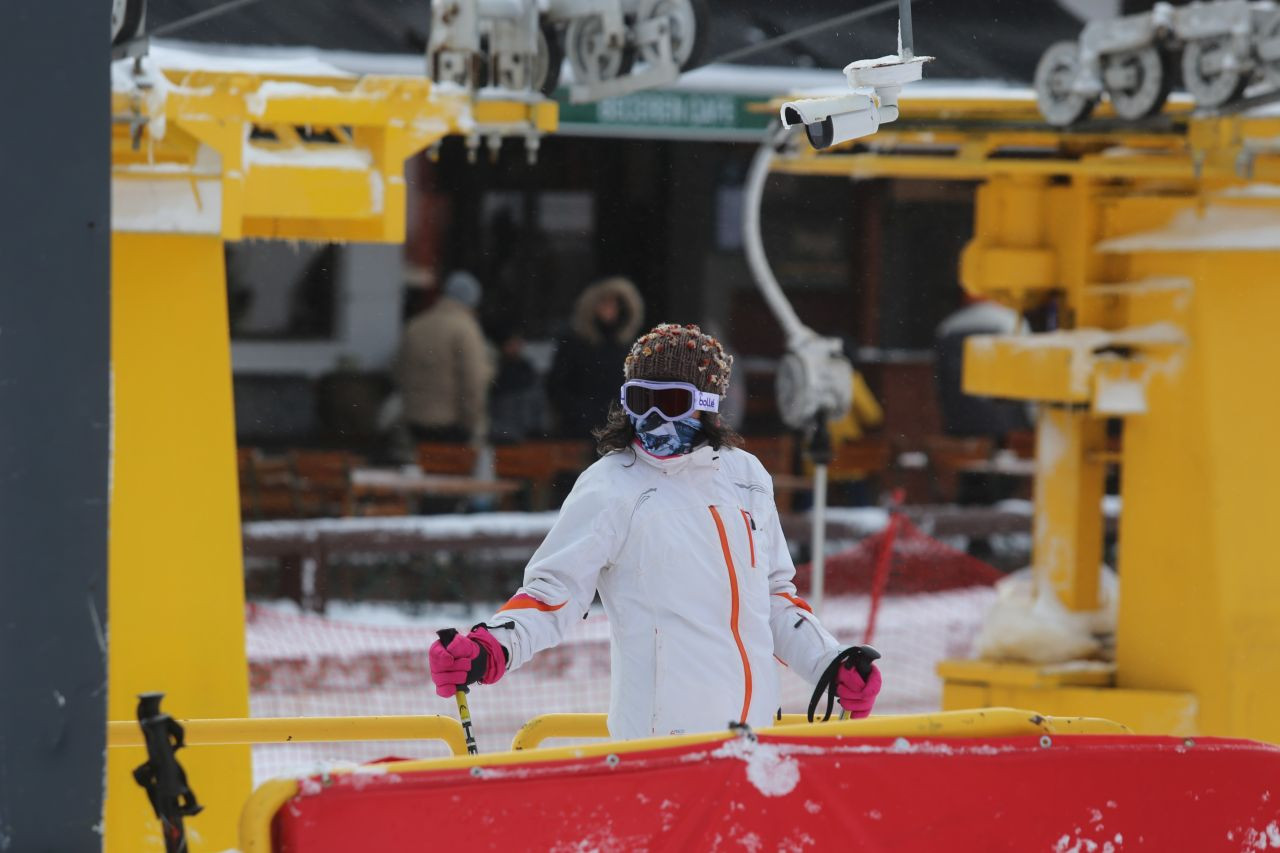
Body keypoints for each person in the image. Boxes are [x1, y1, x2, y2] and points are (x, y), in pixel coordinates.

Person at [429, 323, 883, 740]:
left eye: (672, 403)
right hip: (662, 741)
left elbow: (773, 600)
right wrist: (491, 646)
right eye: (640, 401)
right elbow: (553, 592)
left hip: (753, 737)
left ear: (708, 405)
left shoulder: (745, 477)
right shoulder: (612, 484)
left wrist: (828, 660)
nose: (654, 420)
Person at [395, 270, 493, 445]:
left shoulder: (416, 325)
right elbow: (473, 383)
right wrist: (472, 424)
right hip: (450, 424)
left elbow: (399, 370)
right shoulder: (465, 329)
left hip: (414, 421)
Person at [547, 276, 644, 440]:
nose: (609, 309)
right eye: (604, 303)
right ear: (592, 306)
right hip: (580, 432)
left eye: (614, 304)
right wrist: (581, 413)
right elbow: (557, 386)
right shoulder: (574, 344)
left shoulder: (633, 347)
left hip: (622, 432)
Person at [487, 319, 548, 445]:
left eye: (518, 341)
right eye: (511, 342)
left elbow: (538, 405)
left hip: (528, 437)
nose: (517, 346)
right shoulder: (493, 372)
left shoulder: (527, 371)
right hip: (501, 439)